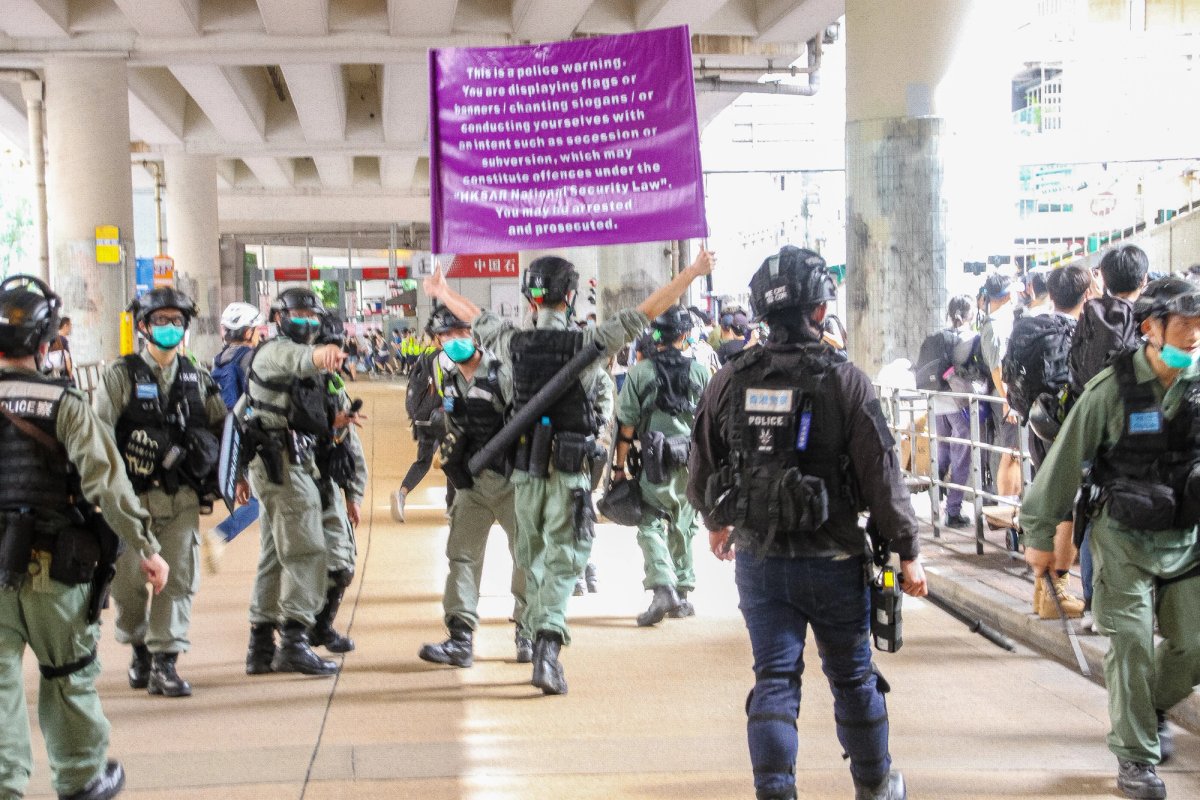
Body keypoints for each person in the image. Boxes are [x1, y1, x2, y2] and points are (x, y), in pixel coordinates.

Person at [687, 246, 927, 800]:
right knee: (852, 678)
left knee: (774, 678)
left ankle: (775, 791)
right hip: (836, 561)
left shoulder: (728, 380)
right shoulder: (847, 381)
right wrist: (907, 550)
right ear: (820, 311)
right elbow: (881, 478)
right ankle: (874, 785)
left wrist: (717, 523)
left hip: (761, 561)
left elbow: (702, 472)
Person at [426, 248, 716, 695]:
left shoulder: (509, 341)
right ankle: (545, 647)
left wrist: (442, 290)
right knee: (565, 561)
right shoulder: (590, 345)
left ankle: (534, 633)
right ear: (572, 297)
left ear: (528, 298)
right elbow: (649, 309)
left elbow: (475, 315)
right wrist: (693, 271)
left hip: (523, 475)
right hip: (569, 474)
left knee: (532, 557)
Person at [1021, 276, 1200, 800]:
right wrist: (1041, 532)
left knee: (1193, 648)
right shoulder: (1111, 390)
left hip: (1187, 542)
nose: (1194, 336)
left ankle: (1147, 709)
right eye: (1184, 325)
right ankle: (1136, 759)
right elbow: (1063, 461)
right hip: (1123, 543)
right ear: (1151, 328)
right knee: (1130, 647)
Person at [0, 275, 169, 800]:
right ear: (48, 341)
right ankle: (80, 780)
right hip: (54, 570)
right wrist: (146, 548)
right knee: (68, 672)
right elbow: (109, 485)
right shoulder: (64, 404)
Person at [94, 287, 226, 699]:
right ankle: (138, 646)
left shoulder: (197, 377)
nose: (168, 327)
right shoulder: (120, 375)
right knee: (128, 583)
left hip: (182, 498)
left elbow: (223, 431)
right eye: (160, 320)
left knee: (179, 579)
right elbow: (99, 436)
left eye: (176, 320)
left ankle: (165, 661)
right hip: (131, 502)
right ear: (143, 326)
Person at [235, 287, 346, 677]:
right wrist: (324, 354)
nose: (308, 322)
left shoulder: (275, 358)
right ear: (279, 317)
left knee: (273, 556)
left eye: (314, 316)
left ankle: (260, 645)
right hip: (282, 466)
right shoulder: (277, 350)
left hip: (282, 464)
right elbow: (303, 358)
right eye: (299, 314)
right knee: (307, 550)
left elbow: (253, 409)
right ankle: (295, 642)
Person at [417, 304, 530, 667]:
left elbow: (528, 423)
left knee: (526, 558)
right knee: (461, 557)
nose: (453, 341)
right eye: (445, 337)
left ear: (474, 334)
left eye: (460, 333)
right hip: (472, 485)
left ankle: (528, 633)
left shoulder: (502, 373)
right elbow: (453, 427)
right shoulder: (449, 380)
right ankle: (460, 637)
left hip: (513, 482)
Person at [612, 305, 710, 625]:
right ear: (684, 336)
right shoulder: (700, 372)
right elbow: (710, 423)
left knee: (651, 523)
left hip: (655, 462)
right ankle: (682, 593)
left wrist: (618, 468)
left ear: (655, 337)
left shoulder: (639, 373)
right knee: (684, 523)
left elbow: (626, 425)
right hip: (690, 461)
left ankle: (662, 587)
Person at [1068, 245, 1149, 628]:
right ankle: (1133, 604)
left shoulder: (1089, 315)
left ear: (1103, 279)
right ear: (1143, 281)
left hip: (1089, 429)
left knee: (1090, 511)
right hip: (1131, 435)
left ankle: (1091, 604)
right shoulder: (1146, 319)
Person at [1021, 265, 1091, 620]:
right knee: (1064, 508)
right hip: (1065, 430)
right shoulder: (1080, 332)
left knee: (1045, 499)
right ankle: (1055, 591)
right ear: (1087, 292)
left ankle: (1040, 592)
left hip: (1035, 424)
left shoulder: (1031, 327)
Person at [929, 295, 979, 528]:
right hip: (958, 404)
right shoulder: (970, 337)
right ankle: (953, 511)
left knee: (943, 451)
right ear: (970, 314)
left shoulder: (939, 337)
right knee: (962, 456)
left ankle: (935, 497)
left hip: (937, 402)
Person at [979, 272, 1024, 500]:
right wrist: (1009, 402)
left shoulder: (1001, 322)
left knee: (1015, 451)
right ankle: (1008, 507)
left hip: (1010, 395)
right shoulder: (994, 326)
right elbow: (997, 369)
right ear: (1006, 296)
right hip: (1006, 397)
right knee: (1011, 452)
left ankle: (1012, 506)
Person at [212, 301, 265, 411]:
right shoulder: (253, 357)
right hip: (245, 418)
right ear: (248, 333)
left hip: (225, 417)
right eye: (257, 329)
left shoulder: (219, 358)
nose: (259, 334)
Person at [43, 316, 73, 381]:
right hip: (61, 373)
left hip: (50, 370)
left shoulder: (52, 337)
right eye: (70, 325)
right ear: (65, 326)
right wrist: (70, 374)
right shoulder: (63, 340)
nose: (71, 328)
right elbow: (67, 359)